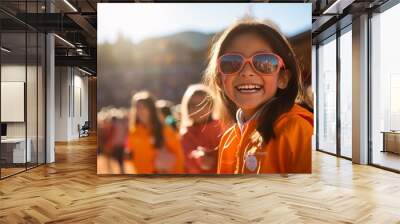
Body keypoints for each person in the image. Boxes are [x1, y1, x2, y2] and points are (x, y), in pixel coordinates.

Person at [203, 19, 313, 174]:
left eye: (264, 61)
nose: (247, 72)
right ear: (220, 81)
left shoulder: (299, 131)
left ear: (283, 78)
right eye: (232, 62)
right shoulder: (228, 139)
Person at [125, 91, 184, 174]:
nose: (140, 111)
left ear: (151, 109)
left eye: (143, 107)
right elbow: (131, 152)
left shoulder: (164, 129)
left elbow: (178, 155)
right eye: (137, 107)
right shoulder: (133, 130)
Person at [180, 84, 224, 174]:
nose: (197, 109)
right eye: (192, 105)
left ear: (211, 105)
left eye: (202, 104)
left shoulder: (222, 128)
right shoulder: (185, 134)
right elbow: (187, 160)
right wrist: (198, 158)